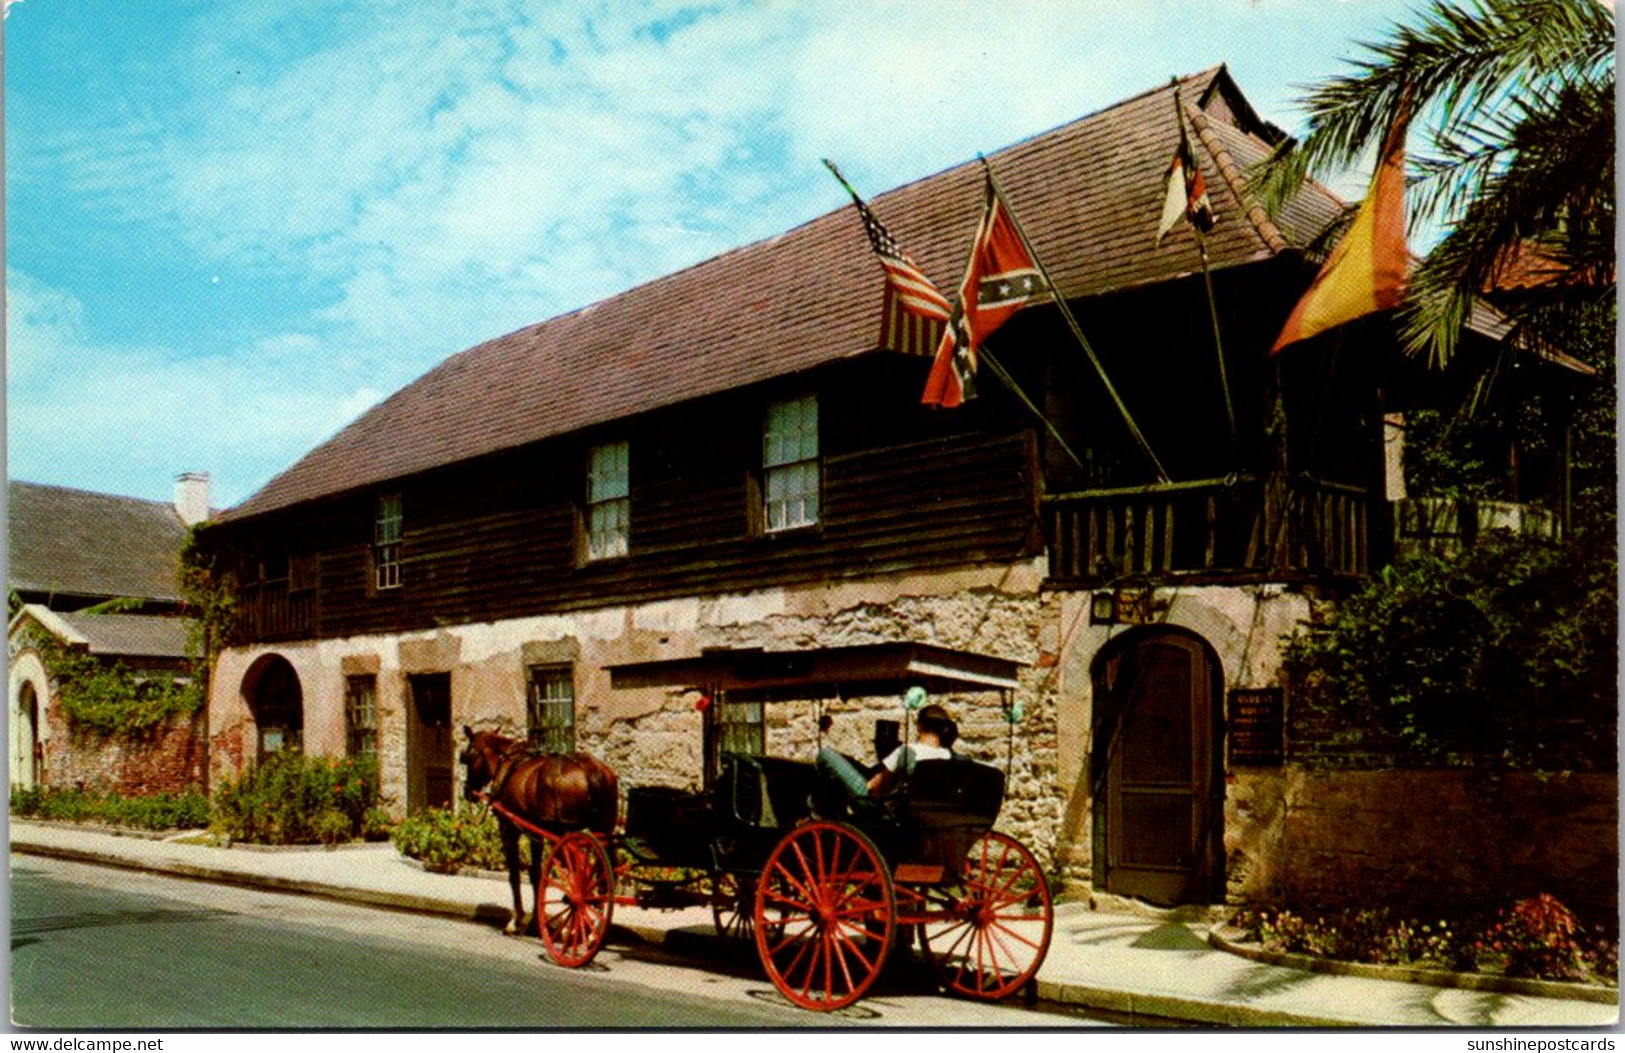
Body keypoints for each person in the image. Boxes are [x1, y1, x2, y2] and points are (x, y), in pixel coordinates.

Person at [866, 703, 954, 795]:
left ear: (919, 726)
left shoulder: (907, 751)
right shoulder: (949, 756)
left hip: (905, 807)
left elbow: (876, 785)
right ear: (945, 729)